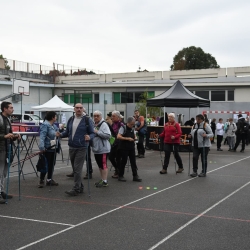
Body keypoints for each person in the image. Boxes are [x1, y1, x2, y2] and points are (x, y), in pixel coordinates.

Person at [57, 103, 95, 196]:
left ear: (83, 109)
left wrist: (89, 137)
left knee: (77, 169)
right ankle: (80, 186)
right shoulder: (71, 119)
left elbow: (93, 133)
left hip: (82, 147)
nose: (79, 109)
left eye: (80, 108)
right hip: (72, 146)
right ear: (74, 109)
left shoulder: (87, 120)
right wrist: (61, 134)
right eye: (77, 108)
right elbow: (67, 132)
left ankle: (76, 188)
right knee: (75, 169)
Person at [0, 102, 20, 204]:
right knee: (0, 172)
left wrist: (15, 136)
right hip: (1, 149)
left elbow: (10, 134)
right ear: (4, 109)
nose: (13, 109)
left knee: (3, 173)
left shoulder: (8, 120)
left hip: (8, 149)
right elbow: (4, 135)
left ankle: (1, 191)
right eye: (11, 108)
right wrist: (4, 136)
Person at [117, 116, 142, 182]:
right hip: (124, 147)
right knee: (123, 161)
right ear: (128, 122)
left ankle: (135, 175)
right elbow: (118, 136)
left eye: (133, 124)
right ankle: (120, 175)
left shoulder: (132, 128)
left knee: (133, 162)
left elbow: (134, 135)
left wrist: (135, 138)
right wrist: (127, 138)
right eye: (131, 124)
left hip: (131, 147)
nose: (132, 125)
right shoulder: (123, 128)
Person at [38, 111, 59, 188]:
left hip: (53, 147)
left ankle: (49, 179)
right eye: (55, 116)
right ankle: (41, 180)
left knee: (52, 164)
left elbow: (57, 132)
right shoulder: (45, 125)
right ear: (53, 117)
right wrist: (42, 147)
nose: (56, 118)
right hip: (47, 148)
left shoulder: (53, 125)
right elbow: (42, 137)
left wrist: (60, 131)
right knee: (45, 164)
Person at [91, 110, 111, 187]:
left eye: (97, 116)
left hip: (103, 149)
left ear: (101, 116)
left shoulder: (104, 124)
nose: (96, 117)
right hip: (96, 149)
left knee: (103, 165)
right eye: (94, 116)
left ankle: (105, 181)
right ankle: (102, 179)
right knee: (100, 165)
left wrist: (97, 132)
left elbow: (108, 135)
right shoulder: (94, 124)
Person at [109, 110, 123, 178]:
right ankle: (117, 169)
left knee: (118, 158)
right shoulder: (112, 124)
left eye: (113, 116)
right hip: (113, 143)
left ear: (118, 117)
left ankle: (119, 172)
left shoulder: (121, 124)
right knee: (111, 157)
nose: (112, 117)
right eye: (112, 116)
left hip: (119, 143)